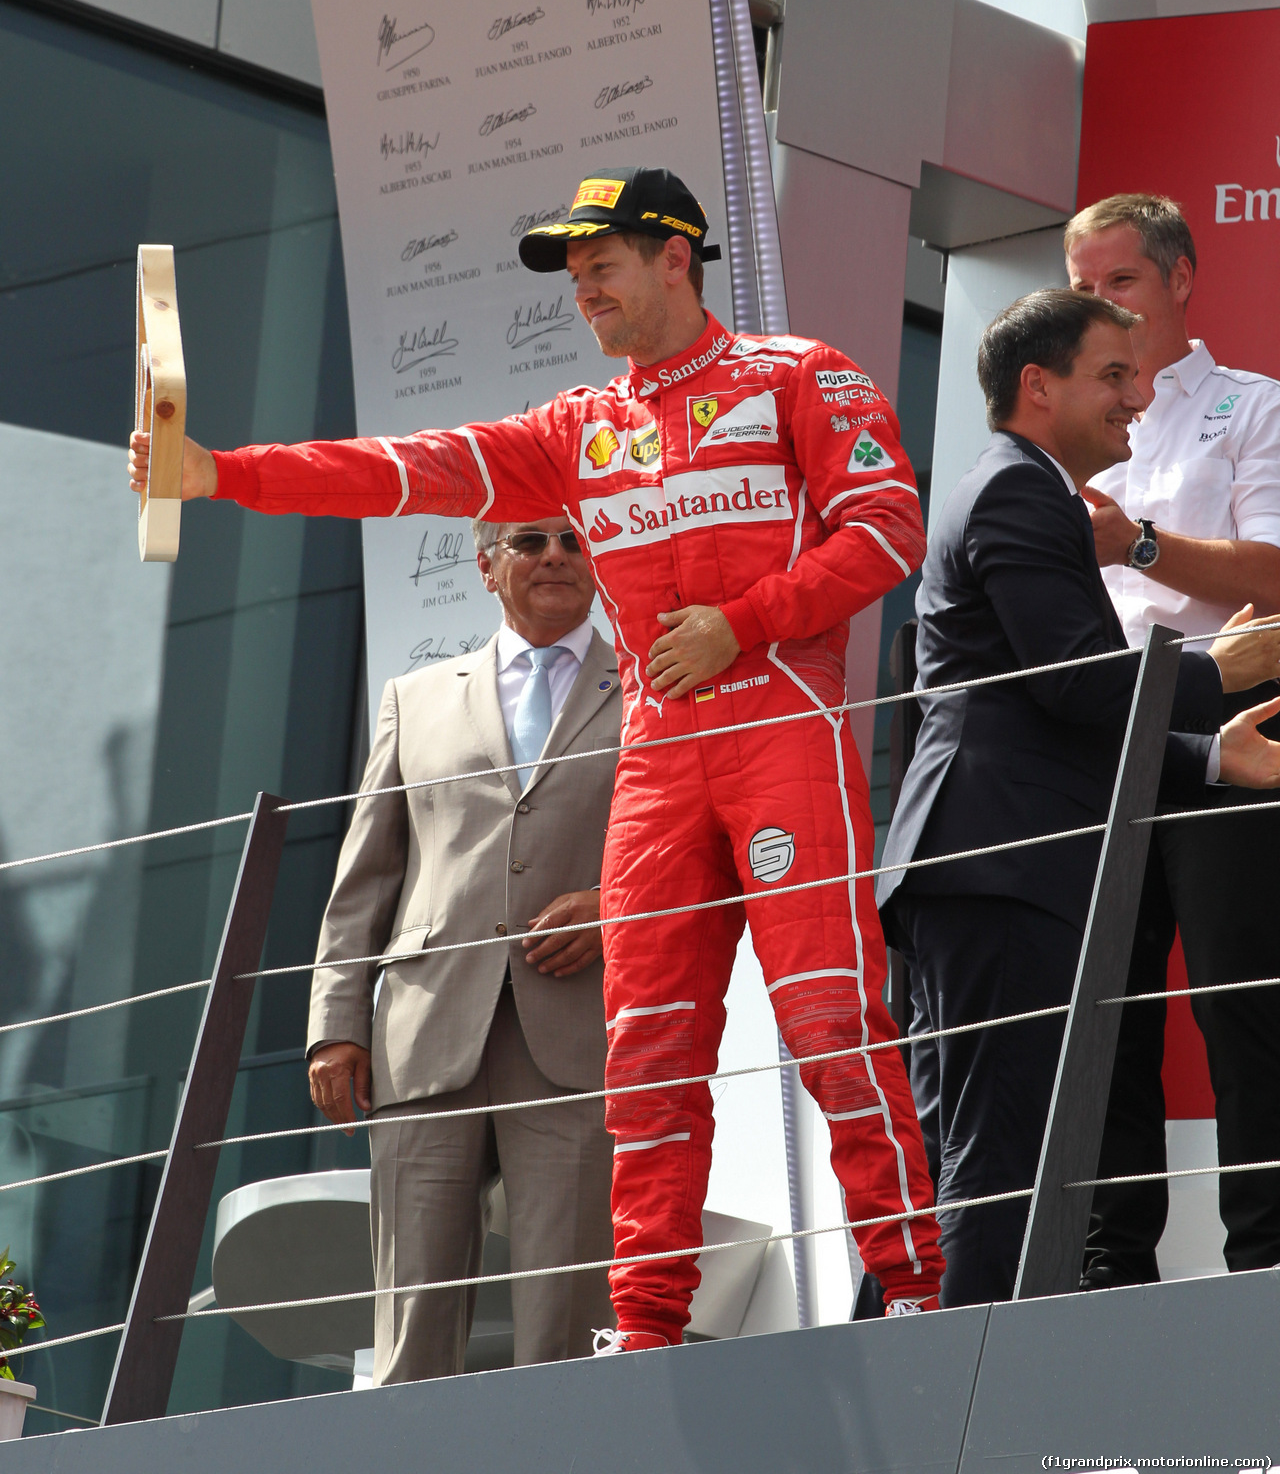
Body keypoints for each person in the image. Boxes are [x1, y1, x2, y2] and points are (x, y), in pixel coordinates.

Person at [130, 163, 946, 1349]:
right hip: (661, 763)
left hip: (778, 727)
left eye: (600, 265)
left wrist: (743, 620)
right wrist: (218, 474)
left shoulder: (802, 375)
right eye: (573, 275)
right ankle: (646, 1324)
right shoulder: (577, 428)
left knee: (828, 1022)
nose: (584, 290)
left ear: (676, 254)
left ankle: (918, 1285)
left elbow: (887, 530)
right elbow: (399, 470)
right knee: (646, 1049)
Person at [876, 288, 1280, 1309]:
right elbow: (1074, 684)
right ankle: (954, 1407)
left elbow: (1063, 711)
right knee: (994, 1155)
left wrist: (1206, 761)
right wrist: (1217, 667)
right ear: (1035, 384)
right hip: (998, 869)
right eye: (1111, 375)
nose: (1135, 399)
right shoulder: (1021, 493)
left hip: (994, 864)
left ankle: (942, 1385)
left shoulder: (1021, 488)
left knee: (985, 1150)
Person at [307, 514, 621, 1381]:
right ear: (487, 567)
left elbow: (700, 853)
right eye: (530, 542)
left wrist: (613, 905)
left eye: (574, 539)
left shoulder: (655, 688)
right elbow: (364, 879)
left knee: (571, 1331)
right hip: (425, 1032)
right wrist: (337, 1025)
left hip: (581, 1035)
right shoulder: (416, 698)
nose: (555, 555)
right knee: (411, 1334)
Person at [1065, 193, 1280, 1285]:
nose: (1097, 305)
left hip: (1221, 727)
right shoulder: (1062, 434)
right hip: (1092, 743)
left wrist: (1137, 543)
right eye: (1081, 286)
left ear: (1180, 279)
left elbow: (1274, 576)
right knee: (1096, 1025)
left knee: (1242, 1013)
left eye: (1120, 282)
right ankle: (1108, 1278)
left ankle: (1263, 1270)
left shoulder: (1250, 407)